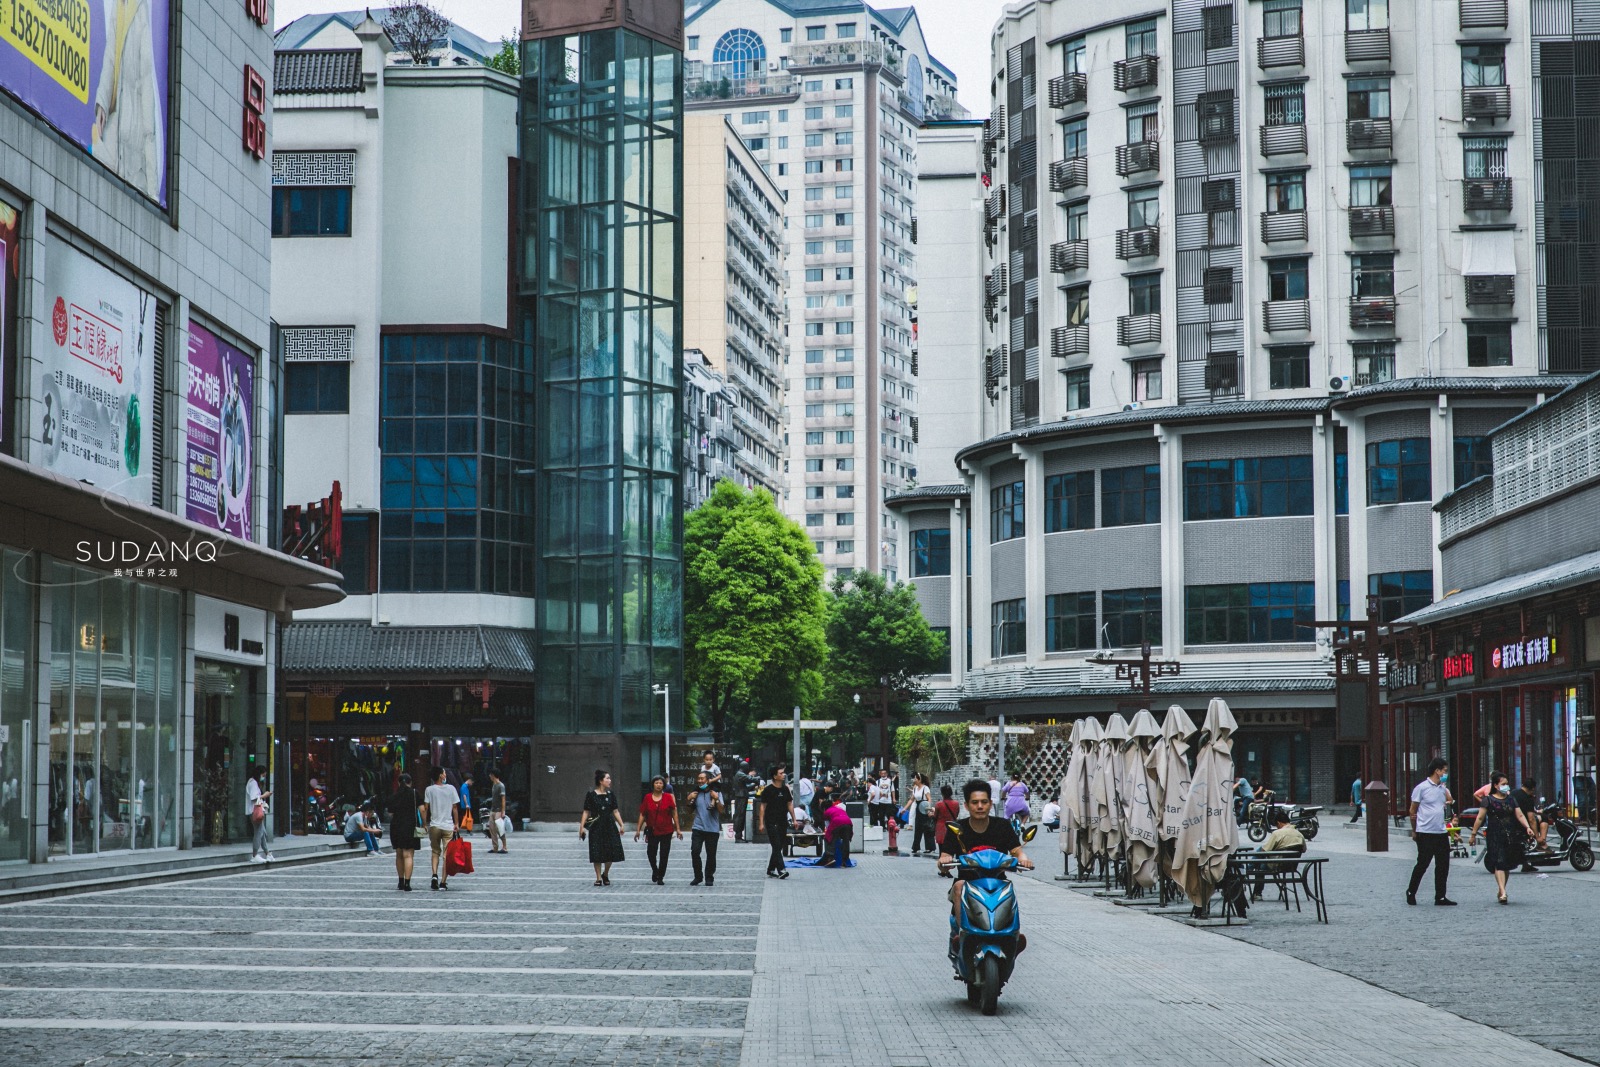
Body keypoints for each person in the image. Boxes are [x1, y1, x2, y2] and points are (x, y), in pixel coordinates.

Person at [938, 780, 1033, 956]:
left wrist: (1024, 860)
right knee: (959, 886)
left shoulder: (1003, 826)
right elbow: (945, 858)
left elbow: (1017, 851)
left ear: (991, 803)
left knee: (1009, 889)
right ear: (966, 805)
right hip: (967, 884)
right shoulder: (957, 829)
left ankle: (1014, 936)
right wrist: (944, 861)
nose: (980, 806)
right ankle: (963, 934)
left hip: (997, 883)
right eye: (975, 802)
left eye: (984, 802)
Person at [1470, 771, 1534, 904]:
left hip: (1510, 834)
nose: (1506, 786)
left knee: (1507, 864)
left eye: (1507, 784)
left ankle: (1501, 889)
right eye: (1503, 784)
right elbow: (1480, 818)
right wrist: (1473, 834)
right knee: (1499, 862)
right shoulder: (1488, 800)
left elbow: (1520, 815)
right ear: (1496, 785)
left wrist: (1528, 827)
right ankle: (1503, 892)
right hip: (1495, 834)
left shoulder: (1511, 799)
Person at [1406, 758, 1456, 906]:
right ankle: (1411, 891)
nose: (1445, 773)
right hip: (1425, 832)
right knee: (1422, 864)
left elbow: (1451, 800)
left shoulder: (1442, 788)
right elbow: (1412, 810)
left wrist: (1445, 788)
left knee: (1443, 865)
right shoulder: (1421, 788)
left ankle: (1440, 896)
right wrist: (1414, 831)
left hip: (1440, 832)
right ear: (1437, 771)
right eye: (1444, 771)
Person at [579, 770, 626, 886]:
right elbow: (586, 812)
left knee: (611, 851)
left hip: (609, 825)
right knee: (596, 852)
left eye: (609, 778)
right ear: (601, 781)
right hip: (596, 826)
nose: (610, 781)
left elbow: (615, 811)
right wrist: (582, 827)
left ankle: (606, 873)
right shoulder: (591, 795)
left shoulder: (611, 795)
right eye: (607, 778)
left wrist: (621, 824)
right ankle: (598, 877)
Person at [1249, 808, 1307, 901]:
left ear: (1279, 823)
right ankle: (1250, 868)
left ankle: (1255, 889)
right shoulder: (1299, 834)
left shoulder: (1277, 833)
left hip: (1277, 864)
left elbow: (1264, 850)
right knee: (1261, 854)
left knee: (1260, 858)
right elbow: (1303, 850)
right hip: (1291, 865)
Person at [635, 774, 681, 884]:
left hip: (666, 830)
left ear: (664, 785)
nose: (658, 785)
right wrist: (638, 830)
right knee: (651, 853)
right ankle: (655, 870)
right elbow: (642, 814)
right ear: (653, 785)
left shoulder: (668, 797)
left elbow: (674, 814)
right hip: (652, 830)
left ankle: (660, 876)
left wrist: (678, 829)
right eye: (656, 783)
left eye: (661, 783)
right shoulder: (647, 797)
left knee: (664, 854)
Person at [421, 766, 461, 892]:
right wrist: (456, 823)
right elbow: (455, 808)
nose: (445, 775)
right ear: (440, 775)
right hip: (448, 825)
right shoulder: (451, 789)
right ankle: (443, 882)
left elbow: (426, 808)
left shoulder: (429, 789)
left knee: (435, 851)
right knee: (446, 855)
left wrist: (424, 824)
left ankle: (434, 875)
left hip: (434, 825)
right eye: (444, 773)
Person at [757, 766, 794, 879]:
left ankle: (770, 869)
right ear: (775, 776)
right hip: (771, 821)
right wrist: (761, 823)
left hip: (783, 821)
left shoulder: (785, 789)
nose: (784, 775)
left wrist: (794, 819)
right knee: (776, 844)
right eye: (781, 773)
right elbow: (762, 807)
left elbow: (789, 804)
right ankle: (781, 869)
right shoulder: (768, 790)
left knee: (779, 846)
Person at [386, 772, 420, 891]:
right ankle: (407, 883)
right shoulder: (415, 794)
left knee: (399, 854)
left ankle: (400, 881)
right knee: (408, 854)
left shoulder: (393, 796)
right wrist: (424, 824)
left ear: (399, 783)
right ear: (410, 782)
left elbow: (390, 813)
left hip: (396, 826)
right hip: (410, 826)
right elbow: (422, 809)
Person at [689, 770, 723, 887]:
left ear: (708, 781)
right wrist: (689, 799)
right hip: (698, 827)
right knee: (695, 851)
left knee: (711, 854)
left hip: (712, 829)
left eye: (702, 778)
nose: (700, 781)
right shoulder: (696, 793)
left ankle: (709, 877)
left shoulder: (715, 793)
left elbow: (721, 810)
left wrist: (716, 799)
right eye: (698, 778)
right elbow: (689, 810)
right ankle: (698, 876)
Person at [1513, 778, 1548, 863]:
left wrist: (1536, 811)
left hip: (1512, 821)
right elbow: (1531, 819)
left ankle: (1526, 865)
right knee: (1544, 817)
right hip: (1523, 823)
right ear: (1532, 789)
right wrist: (1536, 837)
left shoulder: (1513, 793)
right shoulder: (1528, 798)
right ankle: (1542, 842)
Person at [933, 784, 962, 876]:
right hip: (952, 827)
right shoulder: (956, 804)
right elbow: (956, 815)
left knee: (942, 850)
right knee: (952, 849)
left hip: (941, 828)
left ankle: (944, 870)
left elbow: (935, 816)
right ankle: (948, 869)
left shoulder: (939, 804)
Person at [245, 767, 273, 863]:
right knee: (258, 833)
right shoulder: (253, 783)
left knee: (262, 832)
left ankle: (267, 853)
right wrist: (265, 795)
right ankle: (255, 854)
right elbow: (254, 798)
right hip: (254, 811)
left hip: (254, 810)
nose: (263, 778)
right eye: (263, 775)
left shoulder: (252, 782)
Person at [821, 794, 853, 868]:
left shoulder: (827, 812)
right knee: (846, 841)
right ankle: (844, 861)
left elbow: (828, 826)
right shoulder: (839, 808)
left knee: (828, 838)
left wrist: (829, 835)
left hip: (837, 822)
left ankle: (830, 857)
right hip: (848, 822)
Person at [908, 773, 936, 856]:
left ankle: (930, 847)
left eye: (915, 778)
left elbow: (929, 799)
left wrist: (928, 809)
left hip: (924, 808)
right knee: (918, 828)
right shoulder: (915, 788)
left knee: (927, 828)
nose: (914, 780)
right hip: (918, 809)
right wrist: (904, 809)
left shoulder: (925, 788)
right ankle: (915, 847)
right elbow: (912, 799)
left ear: (919, 779)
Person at [485, 770, 509, 854]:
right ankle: (495, 847)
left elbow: (503, 799)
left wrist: (503, 811)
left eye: (490, 775)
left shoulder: (500, 786)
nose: (489, 776)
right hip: (493, 810)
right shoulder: (494, 785)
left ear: (493, 775)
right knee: (492, 829)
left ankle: (504, 847)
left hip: (498, 810)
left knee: (500, 829)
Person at [731, 761, 755, 842]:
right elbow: (749, 779)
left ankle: (739, 835)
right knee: (740, 816)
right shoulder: (740, 774)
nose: (748, 768)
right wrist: (757, 779)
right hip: (741, 797)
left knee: (740, 816)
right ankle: (738, 836)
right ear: (744, 767)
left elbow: (745, 786)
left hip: (741, 796)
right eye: (747, 767)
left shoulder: (739, 774)